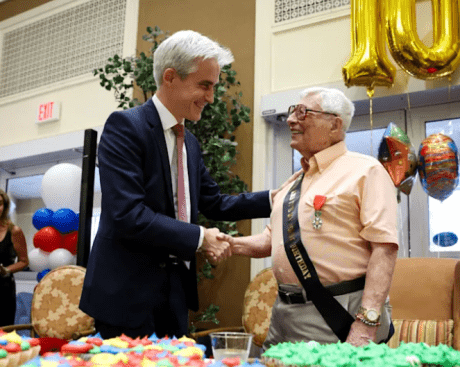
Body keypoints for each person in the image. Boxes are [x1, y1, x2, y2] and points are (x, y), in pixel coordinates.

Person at [79, 30, 274, 340]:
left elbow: (215, 203)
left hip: (175, 294)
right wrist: (201, 237)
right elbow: (128, 214)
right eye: (204, 85)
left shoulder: (190, 143)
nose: (211, 97)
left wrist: (275, 198)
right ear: (170, 77)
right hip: (127, 295)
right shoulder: (126, 127)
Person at [230, 87, 399, 348]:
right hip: (283, 313)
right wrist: (225, 243)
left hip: (336, 311)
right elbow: (270, 240)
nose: (290, 120)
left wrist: (367, 322)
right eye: (291, 112)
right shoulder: (294, 182)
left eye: (303, 112)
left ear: (335, 125)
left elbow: (384, 249)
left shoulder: (366, 171)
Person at [0, 190, 29, 327]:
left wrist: (6, 270)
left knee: (3, 332)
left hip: (3, 289)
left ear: (5, 207)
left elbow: (24, 261)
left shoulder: (14, 231)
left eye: (0, 204)